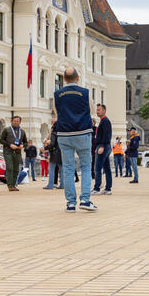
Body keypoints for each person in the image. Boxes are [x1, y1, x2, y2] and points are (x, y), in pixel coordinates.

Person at [54, 67, 96, 212]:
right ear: (77, 78)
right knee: (85, 166)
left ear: (64, 79)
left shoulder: (57, 94)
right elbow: (92, 110)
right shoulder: (85, 93)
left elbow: (56, 113)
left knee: (68, 168)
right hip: (82, 132)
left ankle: (70, 203)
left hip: (64, 134)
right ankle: (85, 200)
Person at [0, 115, 25, 192]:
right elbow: (1, 140)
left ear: (20, 122)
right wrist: (10, 145)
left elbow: (26, 142)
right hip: (8, 151)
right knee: (10, 167)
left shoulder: (22, 132)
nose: (16, 122)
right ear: (12, 121)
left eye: (18, 121)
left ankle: (14, 185)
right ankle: (10, 185)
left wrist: (22, 145)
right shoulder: (6, 130)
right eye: (15, 121)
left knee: (16, 169)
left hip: (17, 152)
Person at [92, 104, 113, 195]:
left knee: (97, 168)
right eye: (97, 110)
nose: (97, 111)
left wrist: (102, 146)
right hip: (104, 145)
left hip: (103, 146)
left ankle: (97, 188)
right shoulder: (103, 121)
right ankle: (108, 188)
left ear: (104, 111)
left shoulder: (105, 121)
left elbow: (106, 135)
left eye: (99, 110)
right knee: (107, 168)